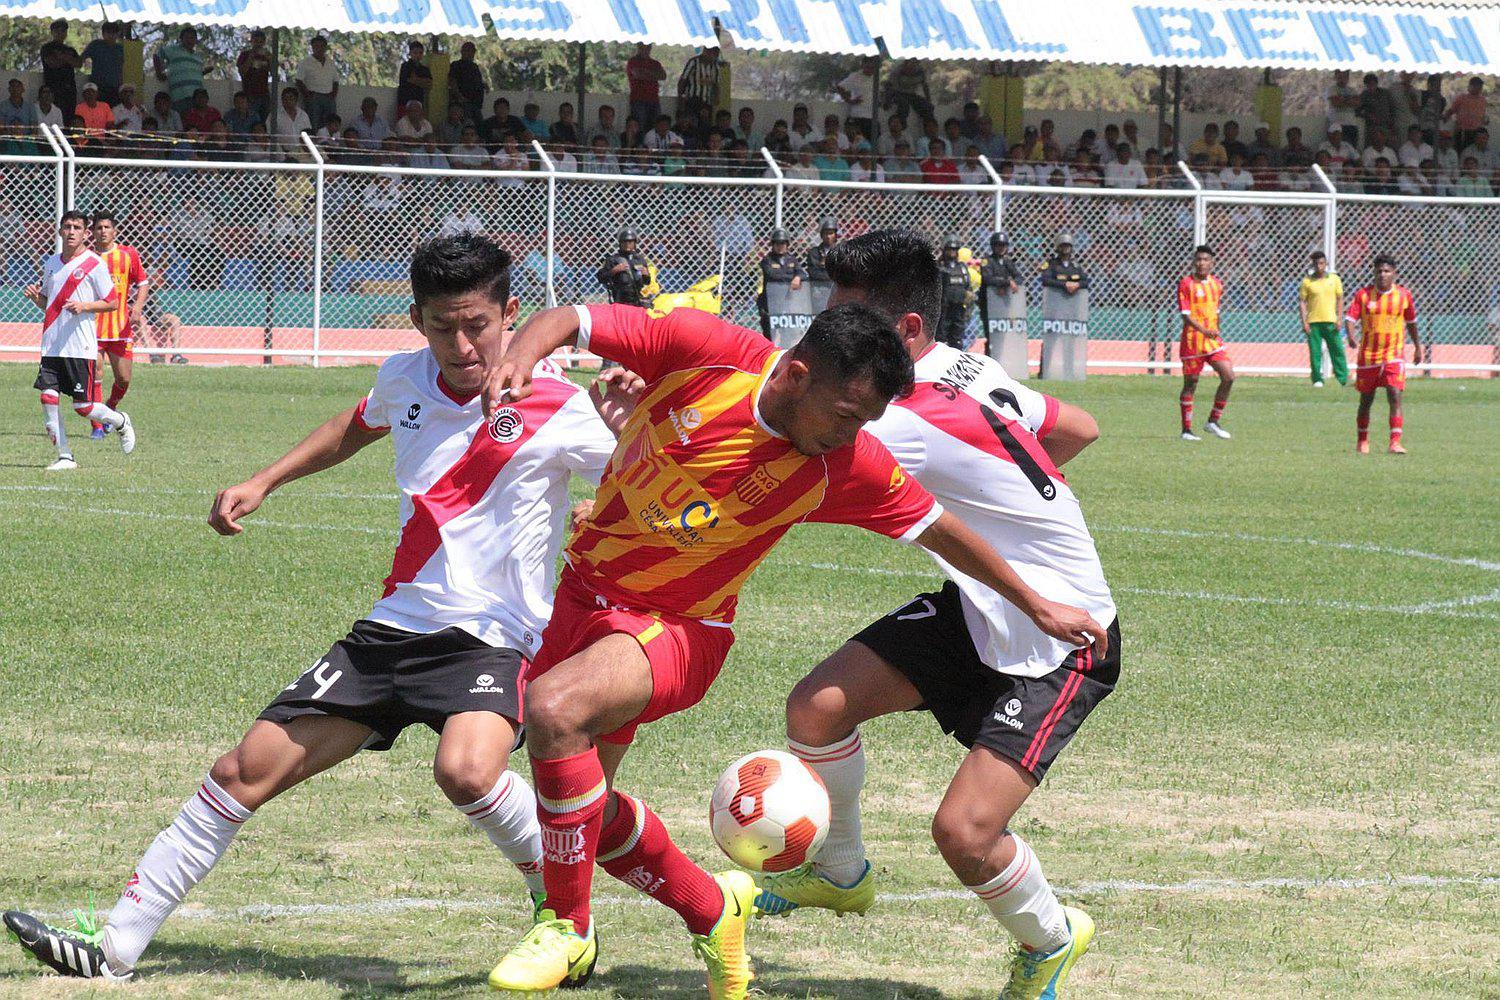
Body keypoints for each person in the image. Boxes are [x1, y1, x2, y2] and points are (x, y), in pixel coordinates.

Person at [1, 235, 620, 982]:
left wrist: (618, 465)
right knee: (242, 770)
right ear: (416, 318)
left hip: (490, 639)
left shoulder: (557, 406)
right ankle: (113, 950)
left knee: (466, 772)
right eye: (442, 327)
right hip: (392, 629)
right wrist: (265, 480)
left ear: (510, 314)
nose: (462, 345)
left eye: (478, 326)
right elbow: (353, 428)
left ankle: (563, 916)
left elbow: (639, 476)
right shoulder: (405, 378)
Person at [476, 296, 1105, 998]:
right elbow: (572, 319)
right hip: (583, 593)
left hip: (681, 629)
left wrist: (1037, 603)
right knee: (583, 799)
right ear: (796, 376)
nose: (853, 436)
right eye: (846, 415)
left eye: (867, 423)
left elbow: (940, 527)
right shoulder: (705, 350)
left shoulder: (847, 463)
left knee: (555, 709)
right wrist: (519, 358)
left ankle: (565, 926)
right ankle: (713, 911)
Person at [753, 228, 1113, 1000]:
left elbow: (773, 487)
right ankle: (841, 872)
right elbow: (1077, 427)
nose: (832, 340)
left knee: (965, 836)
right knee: (816, 708)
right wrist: (1009, 506)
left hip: (1064, 637)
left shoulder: (894, 417)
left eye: (852, 322)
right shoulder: (968, 367)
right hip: (984, 605)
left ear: (907, 332)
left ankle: (1051, 940)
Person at [23, 210, 135, 471]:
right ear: (60, 231)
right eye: (67, 227)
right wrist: (35, 299)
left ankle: (120, 421)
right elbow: (49, 304)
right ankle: (65, 456)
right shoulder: (51, 262)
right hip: (52, 344)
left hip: (80, 346)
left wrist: (84, 306)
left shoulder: (94, 263)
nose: (71, 231)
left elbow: (112, 302)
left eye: (77, 227)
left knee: (83, 407)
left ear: (86, 233)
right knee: (48, 398)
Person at [1345, 254, 1420, 455]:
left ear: (1394, 274)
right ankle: (1362, 441)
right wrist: (1351, 336)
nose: (1382, 275)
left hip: (1394, 355)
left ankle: (1395, 442)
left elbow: (1412, 322)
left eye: (1387, 271)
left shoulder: (1404, 296)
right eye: (1379, 271)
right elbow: (1350, 318)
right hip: (1368, 356)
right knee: (1366, 401)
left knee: (1394, 395)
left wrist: (1419, 347)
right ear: (1374, 273)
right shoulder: (1362, 295)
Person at [86, 210, 148, 438]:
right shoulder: (88, 258)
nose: (103, 232)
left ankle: (110, 409)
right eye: (98, 228)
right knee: (97, 373)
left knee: (124, 378)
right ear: (92, 232)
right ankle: (98, 426)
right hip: (92, 326)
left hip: (121, 327)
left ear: (115, 231)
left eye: (106, 228)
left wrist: (138, 307)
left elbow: (142, 283)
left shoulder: (128, 255)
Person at [1176, 245, 1234, 441]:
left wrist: (1215, 330)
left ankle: (1212, 421)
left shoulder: (1217, 285)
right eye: (1198, 259)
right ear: (1194, 262)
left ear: (1212, 263)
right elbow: (1186, 316)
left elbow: (1215, 311)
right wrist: (1204, 330)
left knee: (1228, 376)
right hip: (1192, 342)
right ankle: (1186, 430)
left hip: (1212, 341)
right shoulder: (1186, 284)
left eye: (1205, 259)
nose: (1202, 263)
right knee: (1191, 383)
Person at [1298, 251, 1346, 388]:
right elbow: (1302, 301)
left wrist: (1339, 318)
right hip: (1314, 321)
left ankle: (1342, 377)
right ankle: (1317, 378)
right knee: (1315, 352)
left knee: (1337, 349)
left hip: (1331, 320)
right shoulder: (1307, 281)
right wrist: (1304, 321)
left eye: (1321, 263)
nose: (1319, 266)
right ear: (1312, 264)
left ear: (1326, 264)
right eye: (1316, 263)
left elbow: (1340, 298)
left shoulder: (1334, 279)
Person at [756, 227, 807, 339]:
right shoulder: (767, 260)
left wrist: (798, 277)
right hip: (770, 303)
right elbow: (772, 275)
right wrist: (791, 279)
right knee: (769, 335)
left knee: (788, 335)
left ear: (787, 244)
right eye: (777, 243)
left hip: (787, 302)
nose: (780, 246)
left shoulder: (791, 259)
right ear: (773, 244)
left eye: (783, 243)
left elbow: (803, 274)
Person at [977, 231, 1022, 340]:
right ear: (993, 246)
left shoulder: (1007, 261)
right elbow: (988, 279)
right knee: (991, 335)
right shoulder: (987, 261)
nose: (1001, 248)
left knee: (1004, 336)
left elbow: (1019, 277)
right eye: (998, 245)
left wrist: (1008, 285)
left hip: (1004, 303)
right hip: (989, 303)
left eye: (1004, 245)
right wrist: (1007, 283)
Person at [153, 26, 207, 115]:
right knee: (182, 125)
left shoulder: (198, 57)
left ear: (196, 40)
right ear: (181, 39)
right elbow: (157, 55)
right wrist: (159, 73)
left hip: (198, 99)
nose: (190, 40)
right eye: (187, 38)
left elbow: (193, 73)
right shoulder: (173, 49)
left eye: (192, 38)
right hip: (180, 97)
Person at [596, 229, 652, 307]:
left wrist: (646, 275)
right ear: (620, 243)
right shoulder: (613, 260)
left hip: (638, 301)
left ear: (635, 243)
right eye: (624, 242)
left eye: (630, 242)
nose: (627, 244)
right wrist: (614, 270)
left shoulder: (640, 260)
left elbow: (647, 282)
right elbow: (601, 278)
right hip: (620, 301)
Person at [937, 235, 975, 349]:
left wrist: (969, 297)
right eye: (950, 249)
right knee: (941, 341)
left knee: (957, 341)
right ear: (944, 250)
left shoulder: (962, 268)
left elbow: (968, 286)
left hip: (959, 310)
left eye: (955, 249)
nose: (953, 252)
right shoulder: (939, 267)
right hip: (944, 310)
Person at [295, 36, 340, 132]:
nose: (319, 49)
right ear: (312, 47)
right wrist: (307, 95)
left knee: (331, 125)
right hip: (313, 98)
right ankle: (314, 145)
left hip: (329, 97)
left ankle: (329, 145)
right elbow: (298, 80)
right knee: (313, 124)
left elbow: (336, 80)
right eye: (316, 46)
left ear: (325, 48)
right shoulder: (305, 62)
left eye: (321, 46)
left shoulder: (330, 62)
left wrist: (333, 95)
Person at [40, 20, 81, 122]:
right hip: (53, 89)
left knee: (69, 117)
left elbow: (78, 64)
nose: (60, 33)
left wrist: (62, 57)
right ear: (52, 32)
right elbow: (52, 63)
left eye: (63, 31)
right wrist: (67, 59)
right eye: (57, 31)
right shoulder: (47, 48)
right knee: (54, 117)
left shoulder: (70, 49)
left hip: (69, 90)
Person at [676, 44, 722, 124]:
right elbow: (683, 80)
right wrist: (680, 98)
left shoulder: (715, 66)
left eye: (715, 55)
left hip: (706, 102)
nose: (713, 57)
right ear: (705, 51)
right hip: (692, 100)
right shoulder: (693, 62)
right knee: (690, 124)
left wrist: (716, 99)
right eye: (711, 53)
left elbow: (716, 84)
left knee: (704, 127)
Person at [81, 22, 124, 105]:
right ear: (103, 33)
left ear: (117, 34)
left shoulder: (121, 49)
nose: (111, 35)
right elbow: (81, 59)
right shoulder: (96, 45)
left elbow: (127, 67)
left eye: (114, 32)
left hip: (115, 88)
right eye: (108, 32)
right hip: (98, 88)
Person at [626, 42, 666, 128]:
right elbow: (638, 75)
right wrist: (654, 74)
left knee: (656, 127)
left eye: (648, 47)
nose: (646, 49)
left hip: (654, 100)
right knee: (640, 127)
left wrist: (646, 72)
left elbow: (663, 76)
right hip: (638, 100)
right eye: (644, 47)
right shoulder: (633, 61)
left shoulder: (655, 63)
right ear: (639, 47)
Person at [236, 30, 274, 121]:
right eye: (256, 41)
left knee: (264, 120)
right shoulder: (244, 55)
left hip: (264, 93)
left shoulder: (267, 55)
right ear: (252, 41)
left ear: (264, 42)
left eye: (261, 42)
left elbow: (274, 73)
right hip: (249, 94)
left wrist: (270, 60)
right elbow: (242, 72)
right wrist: (251, 57)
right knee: (251, 119)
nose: (258, 44)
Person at [448, 41, 486, 125]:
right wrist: (459, 96)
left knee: (479, 127)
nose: (470, 54)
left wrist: (483, 86)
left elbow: (476, 82)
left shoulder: (474, 67)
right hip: (464, 103)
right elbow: (452, 81)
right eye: (467, 51)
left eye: (472, 51)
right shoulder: (456, 65)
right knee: (466, 125)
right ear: (462, 51)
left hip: (476, 104)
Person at [395, 40, 433, 115]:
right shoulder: (405, 66)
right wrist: (422, 81)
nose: (418, 55)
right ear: (410, 53)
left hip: (419, 103)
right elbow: (410, 80)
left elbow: (429, 85)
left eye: (420, 53)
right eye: (415, 53)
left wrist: (416, 80)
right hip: (405, 102)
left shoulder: (425, 69)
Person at [805, 218, 839, 284]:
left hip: (835, 287)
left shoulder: (840, 252)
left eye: (831, 233)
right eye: (826, 233)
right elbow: (813, 273)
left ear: (835, 235)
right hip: (818, 287)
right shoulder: (814, 253)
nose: (828, 236)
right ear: (821, 235)